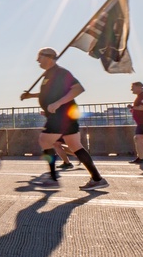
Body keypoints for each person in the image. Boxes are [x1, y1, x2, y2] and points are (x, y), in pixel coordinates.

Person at [20, 48, 108, 190]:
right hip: (65, 114)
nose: (37, 60)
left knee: (44, 140)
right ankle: (97, 179)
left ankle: (53, 178)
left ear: (49, 57)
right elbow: (47, 94)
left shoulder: (60, 72)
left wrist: (58, 103)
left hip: (61, 114)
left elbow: (78, 88)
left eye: (39, 57)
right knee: (75, 146)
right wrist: (31, 96)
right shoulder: (49, 74)